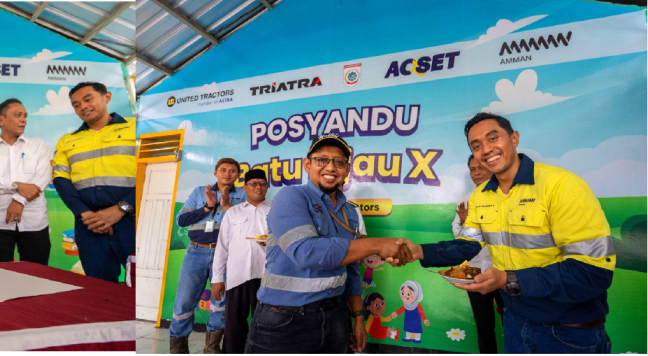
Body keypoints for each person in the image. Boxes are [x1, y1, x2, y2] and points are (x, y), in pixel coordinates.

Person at [399, 113, 615, 354]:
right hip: (515, 321)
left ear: (514, 138)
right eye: (477, 145)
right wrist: (419, 251)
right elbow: (468, 244)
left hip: (568, 329)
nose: (486, 149)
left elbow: (592, 272)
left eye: (493, 138)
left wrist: (508, 280)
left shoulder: (562, 185)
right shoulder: (481, 196)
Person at [244, 133, 412, 354]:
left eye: (339, 162)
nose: (331, 167)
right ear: (307, 164)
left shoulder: (349, 212)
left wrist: (359, 317)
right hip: (284, 319)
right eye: (322, 160)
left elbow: (351, 269)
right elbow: (307, 252)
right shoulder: (291, 197)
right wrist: (377, 245)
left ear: (347, 169)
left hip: (335, 317)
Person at [52, 82, 136, 283]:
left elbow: (150, 173)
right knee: (99, 288)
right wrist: (86, 215)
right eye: (76, 105)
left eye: (88, 99)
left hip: (131, 221)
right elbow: (60, 181)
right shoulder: (66, 140)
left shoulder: (137, 128)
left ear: (106, 97)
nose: (83, 107)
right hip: (88, 226)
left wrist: (120, 210)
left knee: (141, 285)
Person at [170, 158, 247, 355]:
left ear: (238, 175)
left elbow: (246, 226)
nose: (227, 174)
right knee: (184, 302)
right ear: (215, 172)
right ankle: (178, 350)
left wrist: (228, 205)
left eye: (232, 171)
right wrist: (206, 207)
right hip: (196, 251)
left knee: (220, 303)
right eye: (223, 170)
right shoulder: (198, 192)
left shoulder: (243, 196)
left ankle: (212, 349)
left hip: (227, 255)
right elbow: (181, 220)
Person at [0, 99, 53, 265]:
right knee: (0, 278)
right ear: (1, 120)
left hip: (35, 224)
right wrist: (16, 185)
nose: (23, 119)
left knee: (38, 278)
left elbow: (43, 177)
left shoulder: (37, 145)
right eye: (18, 115)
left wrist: (19, 200)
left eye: (25, 116)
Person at [211, 169, 269, 355]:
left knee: (266, 324)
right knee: (234, 325)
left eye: (262, 183)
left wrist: (273, 241)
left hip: (266, 277)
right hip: (237, 277)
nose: (258, 187)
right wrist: (217, 278)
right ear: (245, 188)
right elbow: (222, 247)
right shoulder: (233, 212)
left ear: (266, 187)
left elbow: (286, 242)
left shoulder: (276, 211)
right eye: (253, 183)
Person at [455, 154, 503, 354]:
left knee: (512, 321)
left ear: (491, 167)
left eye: (480, 168)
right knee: (483, 325)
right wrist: (466, 222)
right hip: (473, 270)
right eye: (473, 169)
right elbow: (458, 236)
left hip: (503, 269)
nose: (476, 173)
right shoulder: (466, 199)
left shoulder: (505, 196)